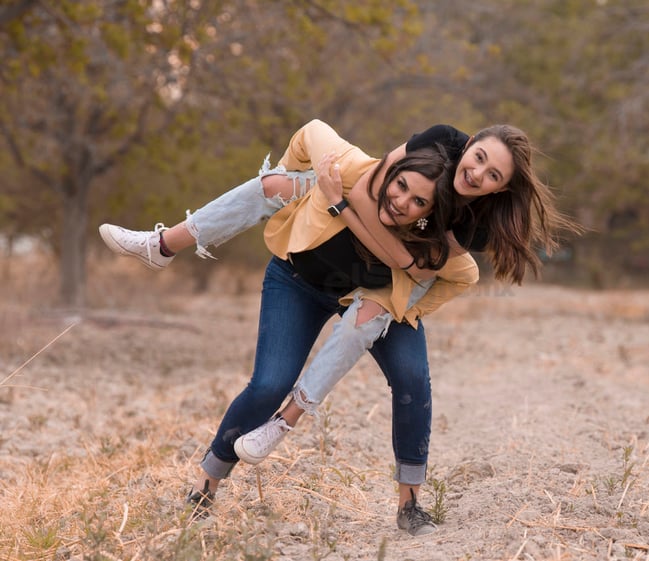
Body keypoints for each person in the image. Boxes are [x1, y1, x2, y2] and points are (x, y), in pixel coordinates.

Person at [100, 120, 581, 535]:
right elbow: (362, 179)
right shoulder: (427, 147)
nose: (477, 172)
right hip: (300, 278)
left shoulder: (472, 226)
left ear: (499, 188)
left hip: (375, 291)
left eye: (492, 175)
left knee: (413, 379)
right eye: (478, 157)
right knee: (268, 381)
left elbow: (412, 263)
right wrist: (314, 185)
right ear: (470, 142)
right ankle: (205, 486)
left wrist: (342, 209)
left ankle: (409, 505)